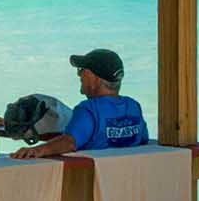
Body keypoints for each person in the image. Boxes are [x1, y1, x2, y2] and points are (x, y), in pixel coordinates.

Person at [12, 47, 150, 157]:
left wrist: (37, 151)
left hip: (94, 183)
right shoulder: (134, 107)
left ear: (94, 78)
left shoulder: (89, 109)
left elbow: (70, 142)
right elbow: (143, 140)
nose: (79, 75)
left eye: (81, 70)